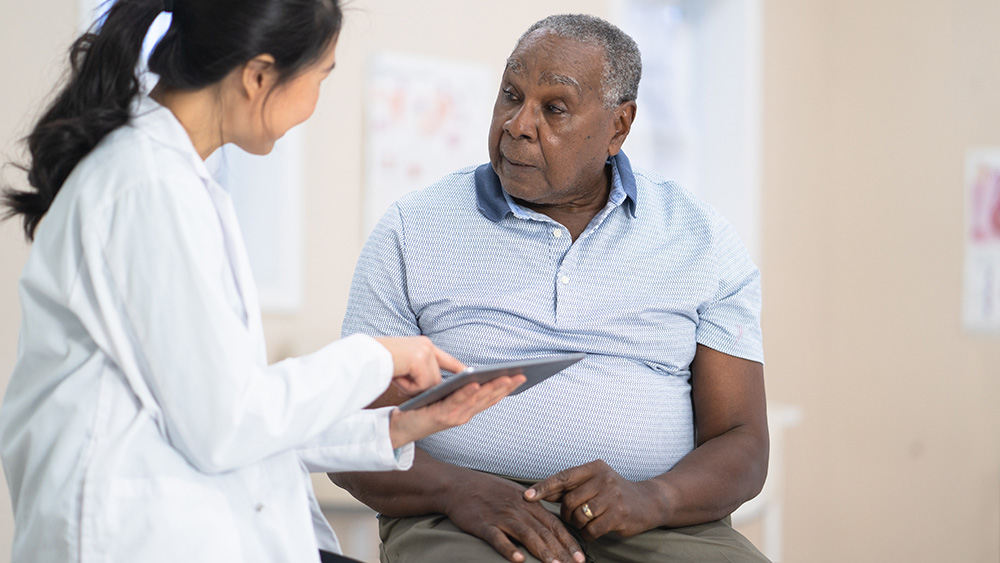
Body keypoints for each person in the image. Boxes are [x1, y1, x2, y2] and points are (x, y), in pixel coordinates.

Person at [0, 1, 524, 562]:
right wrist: (372, 357)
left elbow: (231, 411)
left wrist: (396, 427)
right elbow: (225, 425)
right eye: (320, 77)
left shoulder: (176, 181)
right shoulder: (149, 189)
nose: (316, 101)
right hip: (130, 534)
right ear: (257, 76)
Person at [331, 13, 770, 563]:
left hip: (654, 524)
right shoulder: (411, 230)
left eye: (553, 108)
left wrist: (653, 498)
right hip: (462, 517)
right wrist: (456, 489)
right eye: (510, 96)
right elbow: (352, 438)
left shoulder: (702, 241)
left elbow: (743, 443)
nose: (518, 124)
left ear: (619, 126)